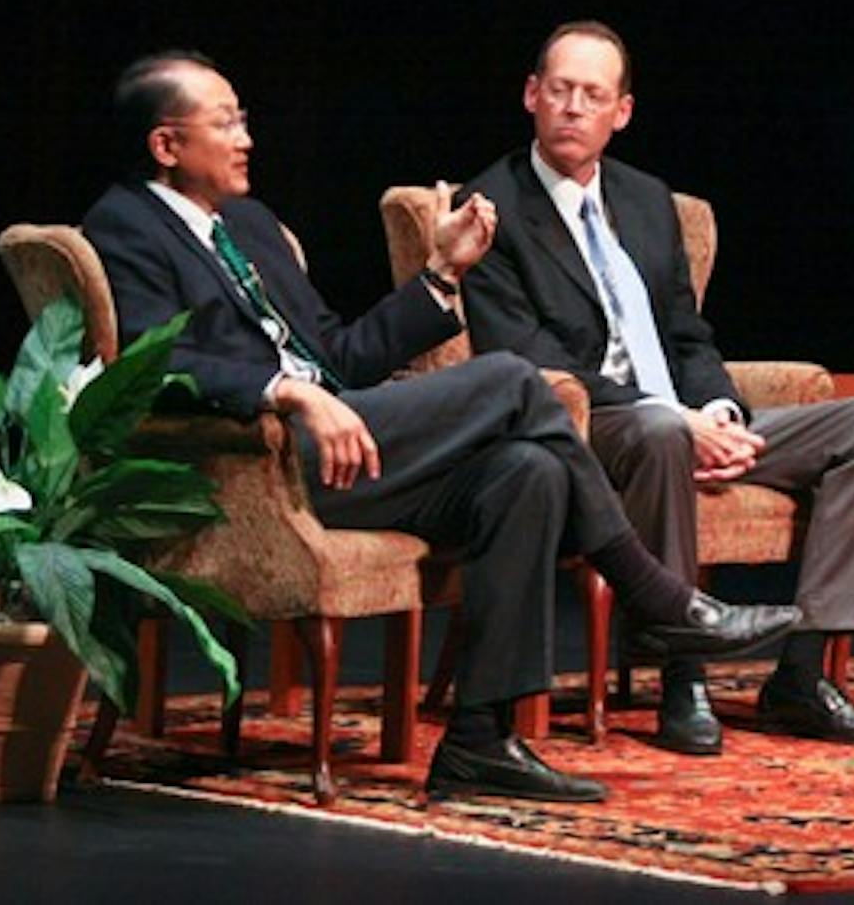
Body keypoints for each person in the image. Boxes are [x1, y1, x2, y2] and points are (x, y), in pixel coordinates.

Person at [82, 50, 800, 804]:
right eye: (225, 121)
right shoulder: (124, 226)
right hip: (256, 466)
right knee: (514, 378)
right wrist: (287, 391)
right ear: (167, 145)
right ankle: (654, 593)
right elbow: (154, 364)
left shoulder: (252, 224)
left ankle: (480, 740)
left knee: (530, 470)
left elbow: (343, 353)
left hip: (345, 452)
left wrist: (441, 274)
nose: (246, 138)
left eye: (244, 119)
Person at [457, 21, 854, 755]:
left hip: (682, 416)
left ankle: (803, 671)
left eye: (593, 95)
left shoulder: (645, 199)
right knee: (662, 432)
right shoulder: (491, 207)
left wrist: (719, 410)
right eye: (561, 91)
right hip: (589, 429)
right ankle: (684, 672)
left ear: (622, 111)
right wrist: (669, 414)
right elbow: (523, 357)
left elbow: (685, 332)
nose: (574, 107)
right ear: (531, 95)